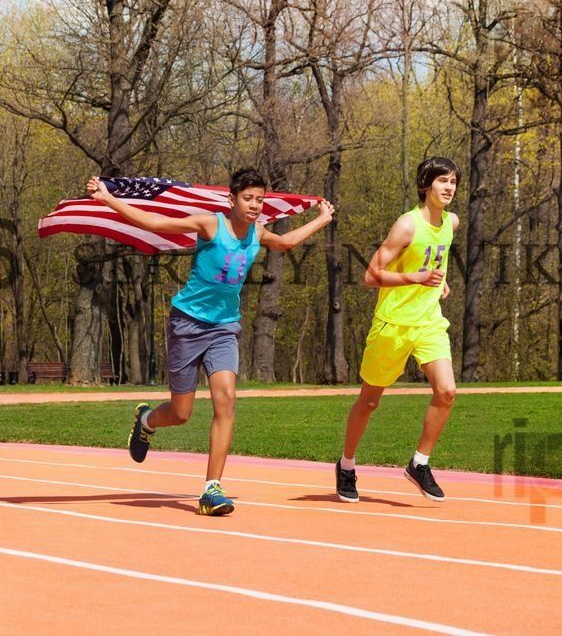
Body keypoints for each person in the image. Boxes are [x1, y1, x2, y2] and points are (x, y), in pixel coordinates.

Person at [89, 168, 334, 515]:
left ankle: (211, 488)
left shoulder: (258, 232)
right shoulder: (210, 225)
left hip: (224, 328)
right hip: (187, 324)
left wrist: (322, 218)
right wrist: (108, 199)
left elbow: (286, 243)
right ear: (232, 200)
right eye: (247, 199)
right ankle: (146, 421)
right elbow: (155, 224)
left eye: (259, 200)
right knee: (181, 413)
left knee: (226, 399)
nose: (254, 205)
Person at [337, 156, 460, 503]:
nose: (449, 187)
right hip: (393, 324)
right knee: (370, 401)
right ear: (425, 185)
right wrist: (415, 278)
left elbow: (434, 259)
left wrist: (440, 280)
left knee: (447, 391)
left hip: (429, 321)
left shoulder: (451, 222)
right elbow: (370, 275)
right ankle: (346, 465)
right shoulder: (407, 225)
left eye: (453, 181)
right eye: (442, 180)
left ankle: (419, 463)